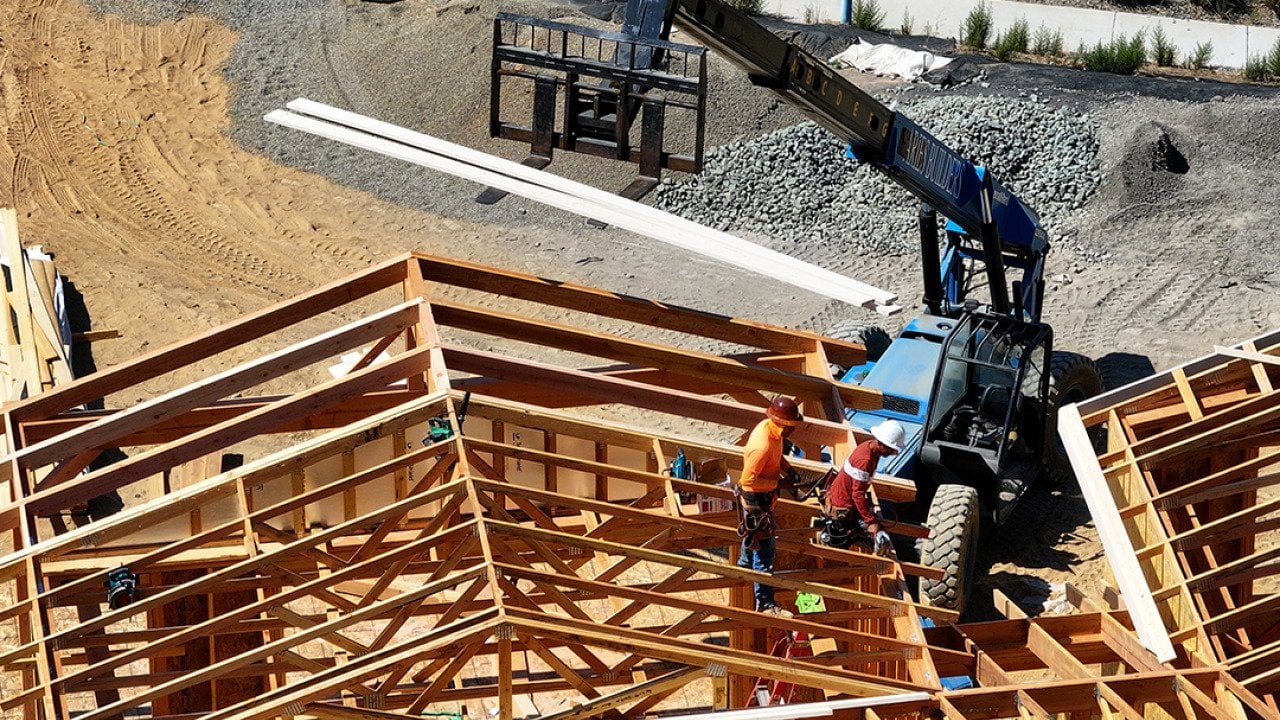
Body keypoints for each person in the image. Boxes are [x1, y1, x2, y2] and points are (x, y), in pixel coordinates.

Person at [736, 395, 804, 616]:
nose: (794, 430)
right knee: (765, 551)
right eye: (792, 426)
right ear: (783, 424)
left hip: (764, 496)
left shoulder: (771, 428)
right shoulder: (762, 445)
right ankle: (765, 603)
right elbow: (747, 481)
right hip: (756, 500)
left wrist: (789, 469)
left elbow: (777, 457)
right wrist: (780, 483)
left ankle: (744, 567)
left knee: (753, 538)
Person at [823, 419, 905, 556]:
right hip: (843, 505)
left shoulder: (870, 447)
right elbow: (857, 495)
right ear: (882, 444)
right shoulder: (865, 461)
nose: (893, 453)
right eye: (892, 449)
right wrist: (871, 522)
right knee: (861, 532)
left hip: (843, 496)